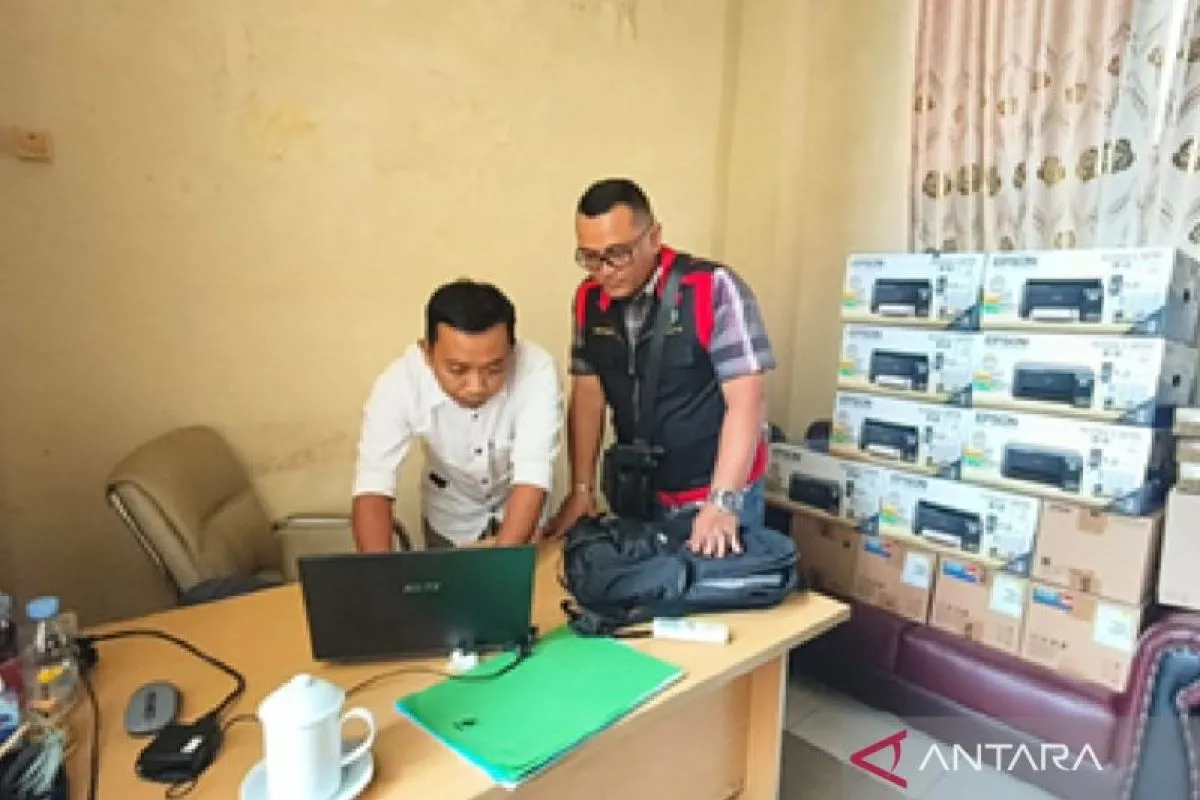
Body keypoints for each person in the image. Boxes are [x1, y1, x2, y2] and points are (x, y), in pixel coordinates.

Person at [545, 178, 776, 558]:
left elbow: (746, 402)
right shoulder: (588, 299)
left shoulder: (712, 288)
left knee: (716, 593)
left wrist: (723, 501)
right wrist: (581, 488)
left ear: (653, 237)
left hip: (715, 492)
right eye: (590, 257)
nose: (605, 271)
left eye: (617, 254)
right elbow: (588, 395)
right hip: (639, 492)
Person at [351, 279, 563, 551]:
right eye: (457, 370)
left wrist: (504, 566)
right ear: (427, 353)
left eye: (494, 369)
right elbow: (373, 487)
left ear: (513, 350)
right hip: (450, 516)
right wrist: (378, 572)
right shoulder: (399, 383)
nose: (476, 386)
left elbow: (533, 472)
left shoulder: (536, 370)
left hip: (523, 512)